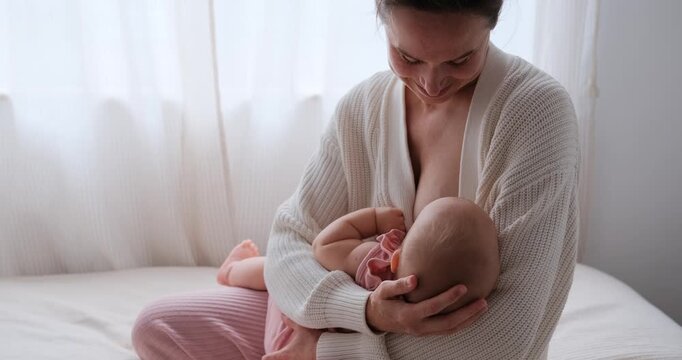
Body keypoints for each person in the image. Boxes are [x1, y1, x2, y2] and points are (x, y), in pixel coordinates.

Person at [132, 0, 579, 359]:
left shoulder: (535, 114)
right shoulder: (363, 107)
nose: (431, 82)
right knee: (158, 327)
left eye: (461, 59)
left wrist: (326, 350)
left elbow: (505, 338)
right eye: (408, 56)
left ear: (493, 22)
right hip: (339, 319)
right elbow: (290, 239)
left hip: (432, 351)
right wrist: (363, 312)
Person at [216, 198, 499, 355]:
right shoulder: (436, 329)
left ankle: (232, 270)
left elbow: (322, 247)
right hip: (321, 352)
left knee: (270, 270)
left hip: (290, 329)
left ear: (396, 256)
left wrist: (373, 219)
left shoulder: (376, 266)